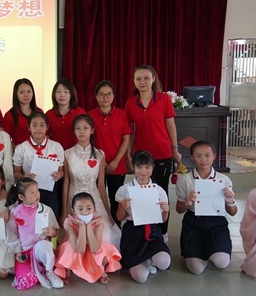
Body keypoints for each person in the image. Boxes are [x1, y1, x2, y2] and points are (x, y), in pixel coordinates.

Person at [125, 65, 181, 237]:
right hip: (141, 156)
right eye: (138, 79)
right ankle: (145, 229)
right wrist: (128, 153)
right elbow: (130, 131)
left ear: (153, 79)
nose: (142, 82)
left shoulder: (163, 99)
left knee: (161, 192)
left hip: (162, 153)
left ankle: (162, 232)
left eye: (146, 78)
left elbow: (170, 125)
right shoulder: (131, 103)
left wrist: (175, 149)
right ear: (134, 81)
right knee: (143, 192)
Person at [176, 140, 237, 274]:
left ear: (214, 156)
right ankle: (197, 253)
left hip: (217, 222)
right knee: (196, 269)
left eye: (207, 155)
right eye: (198, 156)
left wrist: (230, 201)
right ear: (192, 158)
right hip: (193, 222)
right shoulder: (185, 180)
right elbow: (179, 209)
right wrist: (187, 203)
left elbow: (233, 212)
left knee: (221, 263)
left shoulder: (223, 180)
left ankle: (213, 251)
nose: (203, 159)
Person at [63, 114, 120, 247]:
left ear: (92, 130)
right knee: (74, 237)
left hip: (94, 199)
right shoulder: (67, 154)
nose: (81, 131)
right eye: (78, 128)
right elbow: (66, 182)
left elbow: (101, 185)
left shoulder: (99, 154)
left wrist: (108, 212)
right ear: (74, 131)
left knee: (103, 235)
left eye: (85, 128)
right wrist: (64, 210)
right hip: (74, 198)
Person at [115, 151, 171, 283]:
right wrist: (123, 206)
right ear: (133, 167)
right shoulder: (125, 189)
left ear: (153, 167)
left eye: (147, 167)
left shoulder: (158, 190)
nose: (143, 171)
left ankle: (150, 258)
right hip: (133, 232)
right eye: (139, 167)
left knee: (164, 263)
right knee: (140, 278)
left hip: (152, 231)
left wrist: (166, 211)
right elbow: (119, 218)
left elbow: (162, 220)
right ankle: (143, 261)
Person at [5, 177, 64, 290]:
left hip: (40, 250)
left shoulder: (46, 210)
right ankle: (38, 272)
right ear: (21, 197)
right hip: (25, 251)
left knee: (45, 245)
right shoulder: (15, 211)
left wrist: (52, 232)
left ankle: (49, 271)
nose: (37, 194)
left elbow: (55, 232)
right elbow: (12, 233)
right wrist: (17, 251)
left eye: (37, 190)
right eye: (32, 192)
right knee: (24, 281)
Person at [88, 80, 131, 227]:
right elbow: (88, 140)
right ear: (96, 97)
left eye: (108, 94)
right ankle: (98, 230)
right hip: (95, 164)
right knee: (97, 199)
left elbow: (126, 139)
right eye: (101, 94)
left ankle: (115, 230)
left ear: (113, 96)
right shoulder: (90, 116)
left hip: (116, 166)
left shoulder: (121, 114)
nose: (105, 97)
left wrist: (116, 160)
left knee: (115, 200)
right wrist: (100, 160)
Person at [54, 192, 122, 284]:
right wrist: (81, 226)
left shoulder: (98, 221)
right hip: (76, 246)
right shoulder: (68, 222)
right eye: (80, 209)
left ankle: (99, 270)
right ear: (73, 210)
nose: (85, 212)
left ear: (94, 209)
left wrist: (89, 226)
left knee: (102, 253)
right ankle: (67, 269)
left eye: (89, 208)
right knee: (69, 249)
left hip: (92, 245)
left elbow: (94, 248)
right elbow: (80, 248)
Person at [12, 112, 64, 219]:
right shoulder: (21, 148)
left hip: (50, 191)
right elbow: (16, 173)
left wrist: (59, 175)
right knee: (31, 221)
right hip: (29, 192)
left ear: (47, 127)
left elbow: (62, 171)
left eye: (42, 125)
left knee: (50, 219)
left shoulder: (56, 146)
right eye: (34, 125)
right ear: (29, 127)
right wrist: (24, 177)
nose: (38, 129)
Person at [45, 79, 86, 151]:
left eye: (66, 92)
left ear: (71, 94)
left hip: (75, 154)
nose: (62, 95)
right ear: (54, 94)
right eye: (58, 92)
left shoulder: (80, 112)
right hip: (54, 153)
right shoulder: (49, 114)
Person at [2, 78, 42, 146]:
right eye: (22, 92)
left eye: (29, 91)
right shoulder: (9, 115)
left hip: (38, 151)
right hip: (18, 151)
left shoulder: (39, 112)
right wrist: (17, 149)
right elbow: (5, 139)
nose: (26, 95)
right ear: (16, 94)